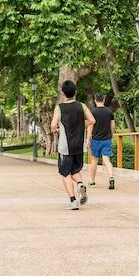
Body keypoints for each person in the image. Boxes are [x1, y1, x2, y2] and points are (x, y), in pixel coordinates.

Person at [50, 80, 96, 210]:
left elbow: (53, 125)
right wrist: (81, 124)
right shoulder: (81, 106)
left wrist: (56, 130)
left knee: (65, 174)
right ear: (75, 92)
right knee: (75, 170)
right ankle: (80, 184)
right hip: (79, 146)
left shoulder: (60, 108)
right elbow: (92, 120)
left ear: (62, 93)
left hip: (66, 148)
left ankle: (73, 201)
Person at [86, 93, 116, 189]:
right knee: (106, 160)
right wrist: (112, 137)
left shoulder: (93, 112)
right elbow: (112, 126)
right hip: (107, 139)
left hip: (96, 139)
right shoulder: (109, 112)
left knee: (94, 160)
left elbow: (90, 126)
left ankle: (92, 181)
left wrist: (88, 139)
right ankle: (111, 176)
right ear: (103, 100)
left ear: (95, 100)